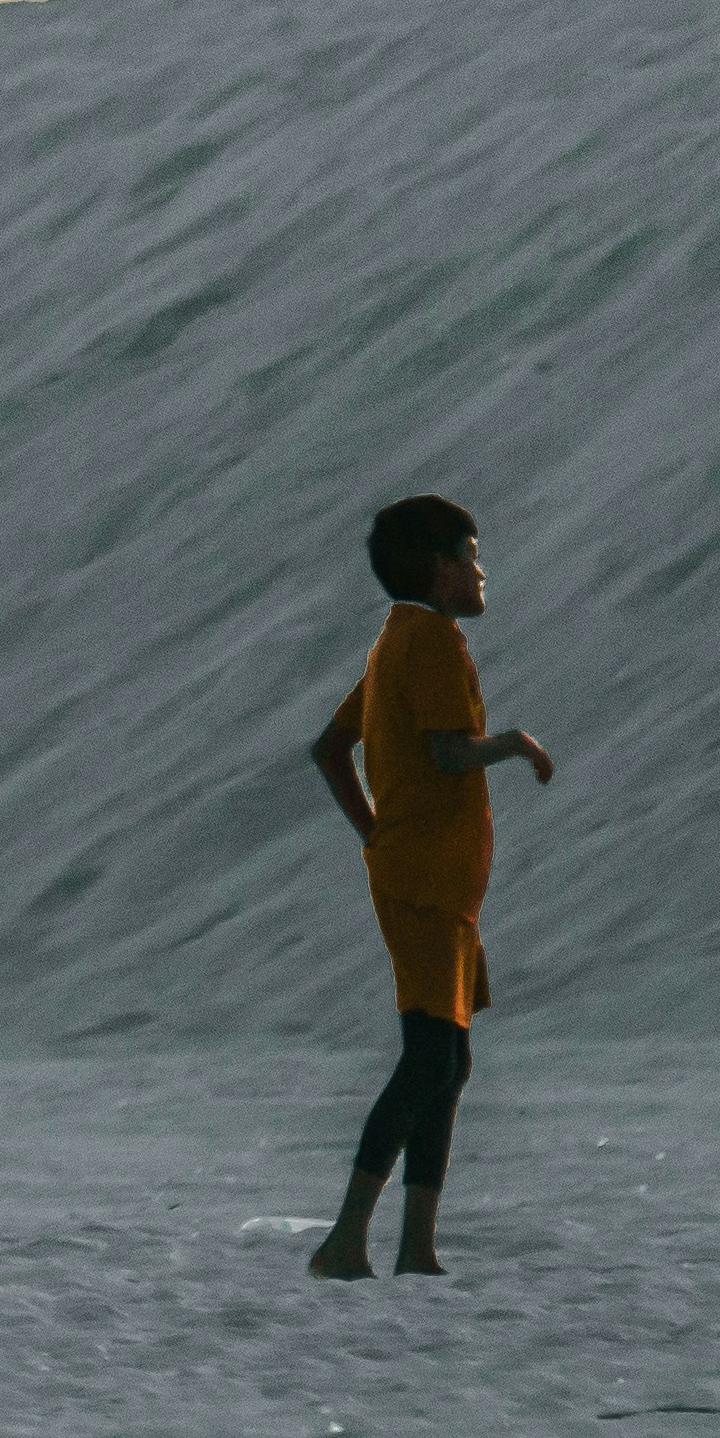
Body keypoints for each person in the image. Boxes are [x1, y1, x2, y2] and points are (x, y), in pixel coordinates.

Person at [302, 495, 550, 1279]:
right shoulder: (432, 642)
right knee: (428, 1060)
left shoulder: (395, 642)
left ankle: (416, 1245)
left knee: (450, 1061)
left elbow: (331, 747)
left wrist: (373, 829)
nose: (480, 572)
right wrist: (509, 745)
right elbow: (447, 755)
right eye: (470, 557)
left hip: (438, 881)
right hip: (427, 885)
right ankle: (347, 1241)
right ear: (439, 572)